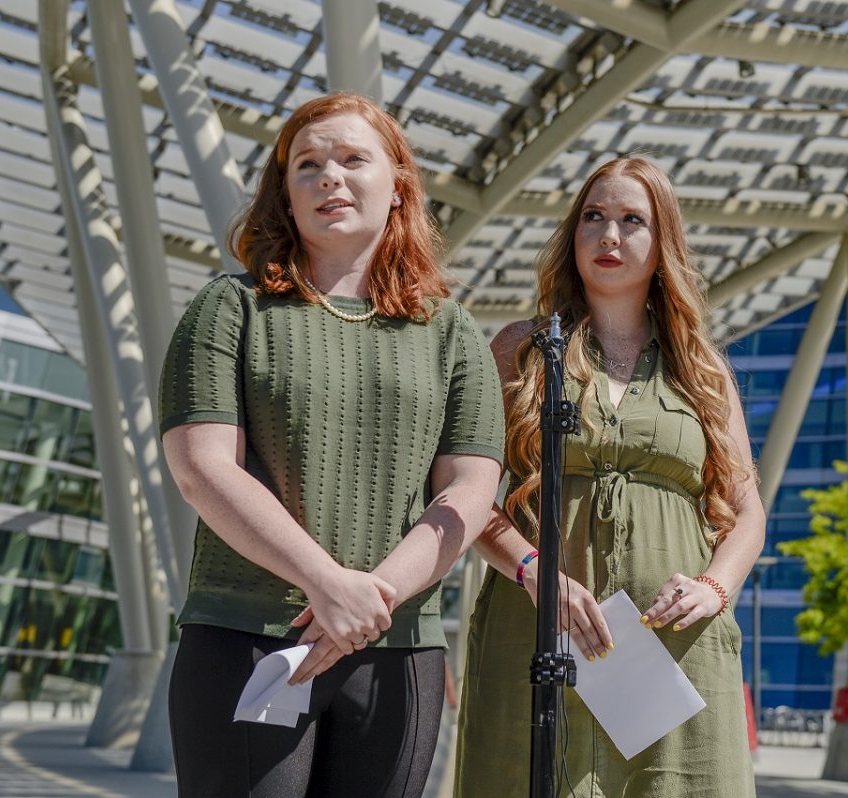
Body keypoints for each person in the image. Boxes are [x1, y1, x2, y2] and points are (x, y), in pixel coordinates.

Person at [159, 92, 504, 798]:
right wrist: (326, 583)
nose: (329, 178)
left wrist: (371, 597)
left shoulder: (452, 331)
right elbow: (201, 468)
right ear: (284, 195)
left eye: (353, 159)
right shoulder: (232, 308)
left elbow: (470, 491)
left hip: (399, 649)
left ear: (399, 182)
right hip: (248, 636)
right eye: (307, 166)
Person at [455, 157, 765, 797]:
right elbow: (463, 495)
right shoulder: (521, 349)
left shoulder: (701, 370)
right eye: (593, 217)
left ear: (663, 243)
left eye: (632, 221)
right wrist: (531, 570)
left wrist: (715, 585)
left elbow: (748, 509)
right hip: (536, 635)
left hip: (675, 651)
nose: (609, 236)